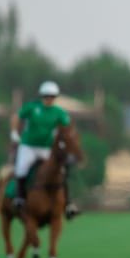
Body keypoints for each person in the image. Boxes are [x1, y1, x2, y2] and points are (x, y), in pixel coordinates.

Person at [9, 80, 79, 218]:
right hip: (28, 146)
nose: (49, 99)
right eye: (47, 96)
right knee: (21, 169)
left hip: (46, 148)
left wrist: (66, 141)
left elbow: (68, 127)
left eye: (52, 96)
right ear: (42, 96)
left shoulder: (58, 112)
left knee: (61, 171)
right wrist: (14, 133)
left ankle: (68, 204)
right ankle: (20, 198)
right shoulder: (31, 108)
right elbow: (16, 117)